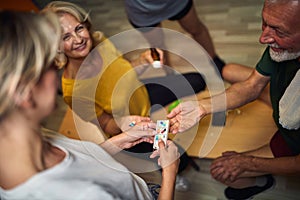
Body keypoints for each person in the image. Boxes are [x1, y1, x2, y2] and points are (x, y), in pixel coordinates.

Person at [0, 10, 180, 200]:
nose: (56, 74)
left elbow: (77, 160)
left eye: (79, 28)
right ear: (24, 92)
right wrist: (170, 172)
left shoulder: (35, 137)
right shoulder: (85, 195)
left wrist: (120, 140)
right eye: (49, 66)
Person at [43, 1, 200, 191]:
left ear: (86, 25)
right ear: (56, 47)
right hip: (130, 127)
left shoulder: (101, 41)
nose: (78, 39)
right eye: (66, 36)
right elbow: (106, 123)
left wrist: (142, 61)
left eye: (79, 28)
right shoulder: (73, 91)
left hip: (142, 94)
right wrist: (123, 123)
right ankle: (178, 174)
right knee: (171, 153)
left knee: (197, 80)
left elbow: (123, 68)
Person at [167, 0, 300, 199]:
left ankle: (262, 181)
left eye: (279, 32)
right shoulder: (283, 48)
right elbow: (252, 86)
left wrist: (247, 161)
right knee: (229, 70)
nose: (263, 38)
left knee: (222, 171)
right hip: (285, 103)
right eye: (264, 23)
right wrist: (202, 107)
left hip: (291, 142)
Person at [124, 0, 225, 74]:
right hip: (141, 8)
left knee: (196, 29)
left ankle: (215, 62)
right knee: (158, 46)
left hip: (175, 2)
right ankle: (170, 75)